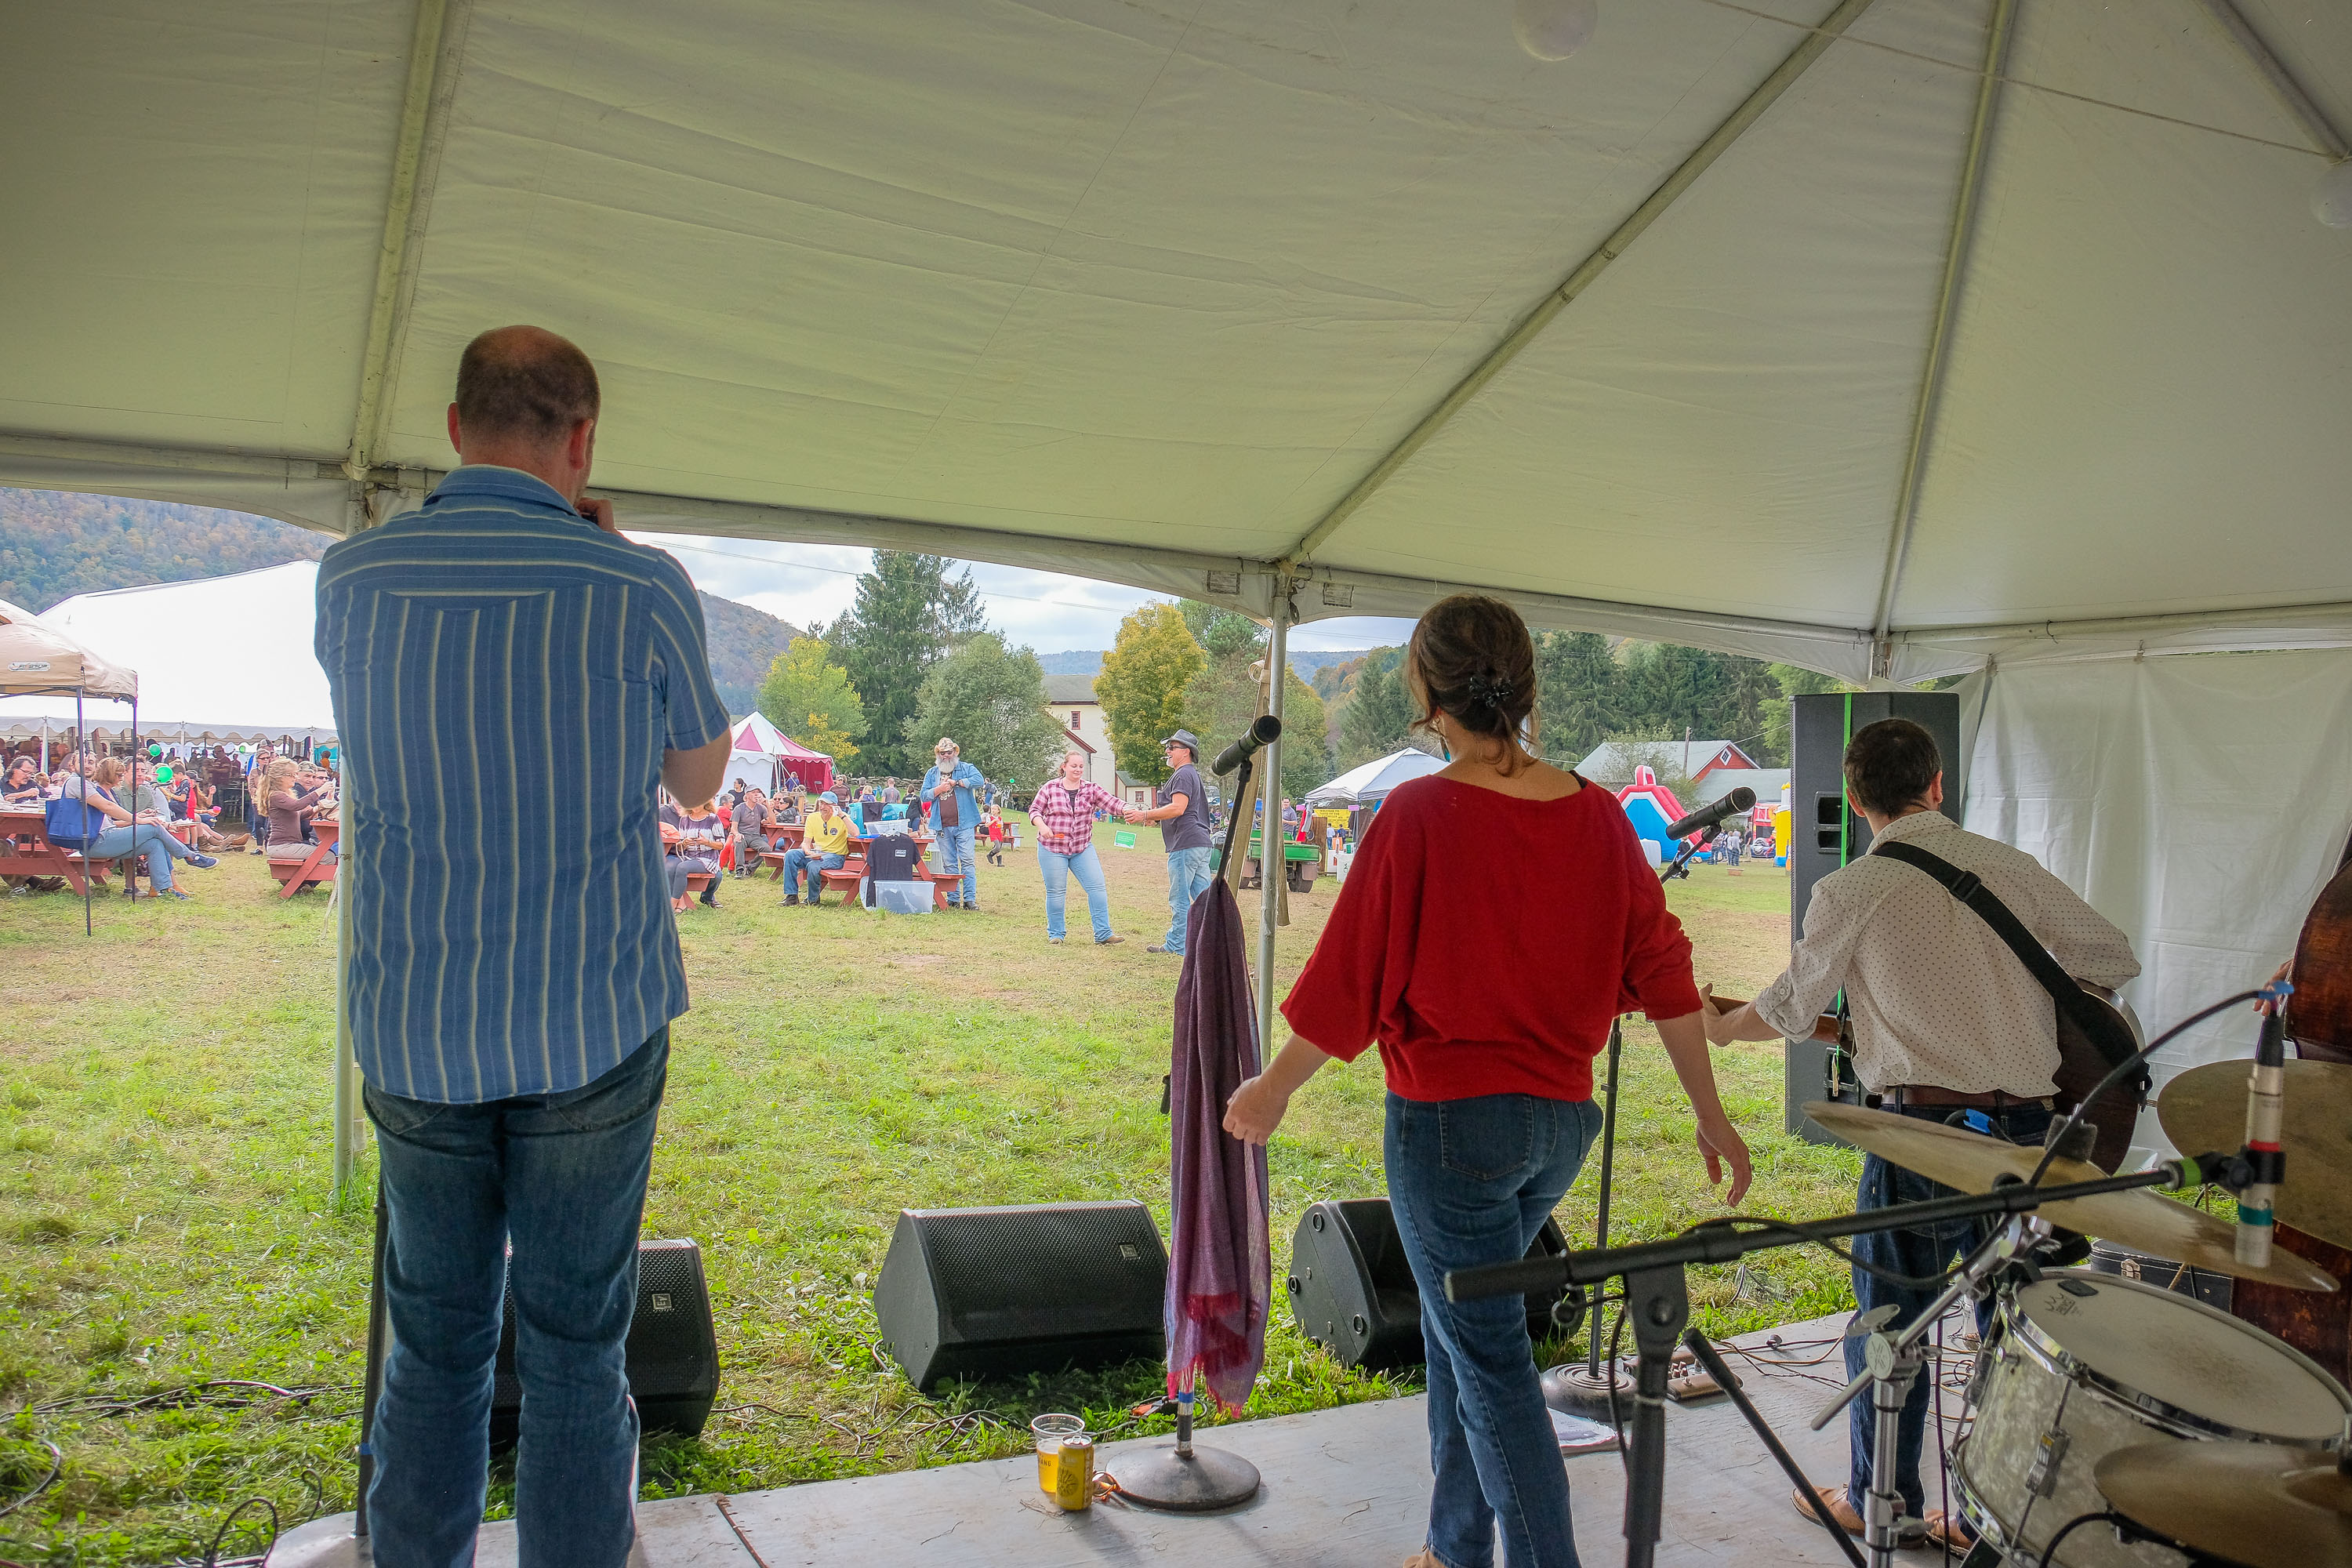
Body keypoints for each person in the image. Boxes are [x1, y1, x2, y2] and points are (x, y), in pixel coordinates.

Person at [314, 324, 732, 1568]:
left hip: (418, 1025)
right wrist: (611, 559)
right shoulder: (642, 586)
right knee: (576, 1353)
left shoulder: (351, 579)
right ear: (583, 440)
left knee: (434, 1349)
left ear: (455, 427)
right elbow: (700, 783)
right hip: (590, 1021)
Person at [1223, 593, 1751, 1568]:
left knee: (1492, 1366)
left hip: (1451, 1132)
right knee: (1460, 1333)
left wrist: (1273, 1086)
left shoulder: (1418, 813)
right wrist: (1710, 1113)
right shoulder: (1598, 815)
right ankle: (1452, 1545)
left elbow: (1351, 975)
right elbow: (1666, 971)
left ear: (1427, 695)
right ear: (1525, 689)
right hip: (1560, 1126)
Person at [1702, 717, 2140, 1551]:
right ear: (1938, 785)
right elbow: (2112, 958)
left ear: (1855, 797)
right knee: (2013, 1329)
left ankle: (1885, 1500)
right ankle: (1989, 1516)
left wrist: (1722, 1028)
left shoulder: (1852, 889)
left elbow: (1793, 1007)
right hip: (2030, 1133)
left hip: (1920, 1132)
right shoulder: (2009, 866)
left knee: (1890, 1327)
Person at [57, 755, 219, 898]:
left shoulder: (90, 785)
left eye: (91, 762)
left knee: (154, 844)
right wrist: (138, 820)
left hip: (104, 838)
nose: (87, 765)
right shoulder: (78, 783)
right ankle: (189, 855)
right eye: (83, 761)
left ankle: (163, 888)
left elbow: (109, 821)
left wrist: (139, 817)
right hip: (94, 841)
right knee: (153, 827)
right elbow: (107, 808)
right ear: (72, 765)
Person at [1121, 729, 1214, 957]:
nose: (1167, 751)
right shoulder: (1191, 774)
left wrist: (1145, 815)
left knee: (1179, 898)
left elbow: (1178, 808)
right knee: (1203, 900)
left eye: (1172, 748)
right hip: (1200, 843)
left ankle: (1177, 945)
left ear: (1186, 752)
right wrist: (1156, 818)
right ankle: (1210, 946)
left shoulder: (1183, 774)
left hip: (1185, 844)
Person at [1029, 750, 1123, 946]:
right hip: (1052, 848)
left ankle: (1103, 933)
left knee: (1097, 888)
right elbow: (1035, 810)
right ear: (1064, 767)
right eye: (1074, 766)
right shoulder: (1050, 788)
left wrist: (1130, 810)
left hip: (1082, 847)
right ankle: (1056, 934)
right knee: (1056, 893)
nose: (1078, 769)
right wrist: (1042, 826)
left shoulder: (1091, 789)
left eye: (1081, 766)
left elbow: (1112, 803)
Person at [922, 737, 987, 911]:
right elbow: (923, 795)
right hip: (942, 825)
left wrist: (958, 783)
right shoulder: (932, 773)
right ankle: (953, 899)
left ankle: (969, 900)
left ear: (955, 752)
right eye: (942, 753)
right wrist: (939, 789)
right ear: (938, 754)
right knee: (949, 863)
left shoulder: (966, 768)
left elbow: (979, 781)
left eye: (949, 752)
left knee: (967, 861)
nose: (946, 756)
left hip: (964, 824)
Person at [782, 790, 851, 906]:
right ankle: (791, 896)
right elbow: (806, 842)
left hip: (836, 856)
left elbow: (856, 833)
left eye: (826, 804)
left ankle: (813, 899)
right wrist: (808, 851)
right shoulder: (812, 817)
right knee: (790, 855)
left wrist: (842, 815)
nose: (822, 807)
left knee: (813, 865)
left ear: (835, 806)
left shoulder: (842, 818)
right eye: (821, 803)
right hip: (817, 853)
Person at [663, 796, 726, 911]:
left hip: (707, 858)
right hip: (688, 856)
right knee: (669, 866)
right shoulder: (684, 819)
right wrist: (684, 843)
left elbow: (721, 845)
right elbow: (679, 846)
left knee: (682, 867)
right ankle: (682, 903)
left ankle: (672, 904)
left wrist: (707, 842)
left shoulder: (713, 819)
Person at [731, 786, 771, 878]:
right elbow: (733, 828)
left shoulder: (761, 808)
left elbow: (773, 822)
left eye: (758, 792)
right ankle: (739, 870)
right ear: (747, 795)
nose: (756, 794)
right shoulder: (739, 808)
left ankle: (750, 868)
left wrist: (767, 805)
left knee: (767, 849)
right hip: (742, 835)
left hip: (755, 837)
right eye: (753, 792)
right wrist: (737, 834)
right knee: (739, 842)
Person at [983, 802, 1007, 866]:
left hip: (999, 833)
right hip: (993, 833)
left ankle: (999, 863)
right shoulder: (989, 817)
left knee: (999, 848)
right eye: (992, 809)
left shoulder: (1000, 818)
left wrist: (1000, 825)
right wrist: (994, 821)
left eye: (995, 809)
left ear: (998, 811)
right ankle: (990, 855)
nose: (993, 810)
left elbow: (1001, 826)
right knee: (997, 846)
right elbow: (987, 825)